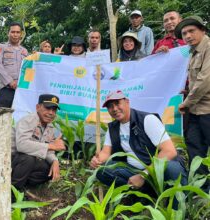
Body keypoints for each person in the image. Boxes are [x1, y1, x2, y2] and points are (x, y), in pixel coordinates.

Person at [90, 90, 187, 208]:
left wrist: (143, 175)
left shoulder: (147, 120)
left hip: (156, 172)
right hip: (133, 172)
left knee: (172, 168)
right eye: (110, 106)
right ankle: (146, 196)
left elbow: (169, 151)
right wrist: (97, 160)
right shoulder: (113, 128)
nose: (114, 109)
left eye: (117, 103)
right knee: (103, 170)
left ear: (127, 102)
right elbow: (106, 152)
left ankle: (177, 209)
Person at [176, 16, 210, 192]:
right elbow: (196, 82)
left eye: (191, 31)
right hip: (196, 111)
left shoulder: (208, 48)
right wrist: (187, 93)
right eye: (184, 33)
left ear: (202, 30)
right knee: (195, 152)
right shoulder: (192, 53)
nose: (188, 36)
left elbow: (205, 80)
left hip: (207, 110)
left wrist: (186, 103)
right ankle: (201, 193)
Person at [11, 94, 66, 190]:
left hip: (24, 164)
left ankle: (24, 187)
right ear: (38, 107)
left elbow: (49, 151)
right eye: (47, 108)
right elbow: (22, 145)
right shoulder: (29, 120)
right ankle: (13, 192)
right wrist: (51, 146)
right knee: (28, 159)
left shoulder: (49, 127)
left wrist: (55, 161)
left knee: (49, 169)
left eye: (54, 110)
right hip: (11, 160)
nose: (51, 113)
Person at [0, 22, 28, 108]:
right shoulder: (1, 47)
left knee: (20, 117)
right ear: (8, 33)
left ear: (21, 34)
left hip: (21, 90)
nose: (15, 34)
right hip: (6, 89)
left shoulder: (24, 51)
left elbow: (28, 69)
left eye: (17, 32)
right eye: (13, 32)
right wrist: (10, 82)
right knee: (2, 117)